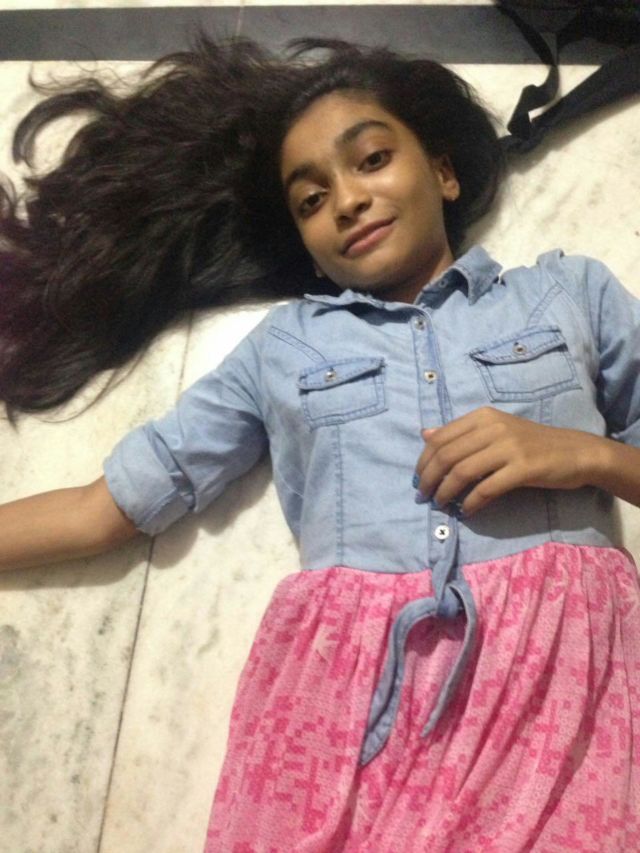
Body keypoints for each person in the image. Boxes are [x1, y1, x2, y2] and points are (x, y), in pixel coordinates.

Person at [1, 37, 639, 851]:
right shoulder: (284, 346)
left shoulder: (567, 293)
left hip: (561, 687)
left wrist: (583, 455)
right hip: (342, 702)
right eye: (311, 199)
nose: (347, 200)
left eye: (372, 159)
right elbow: (106, 508)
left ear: (443, 173)